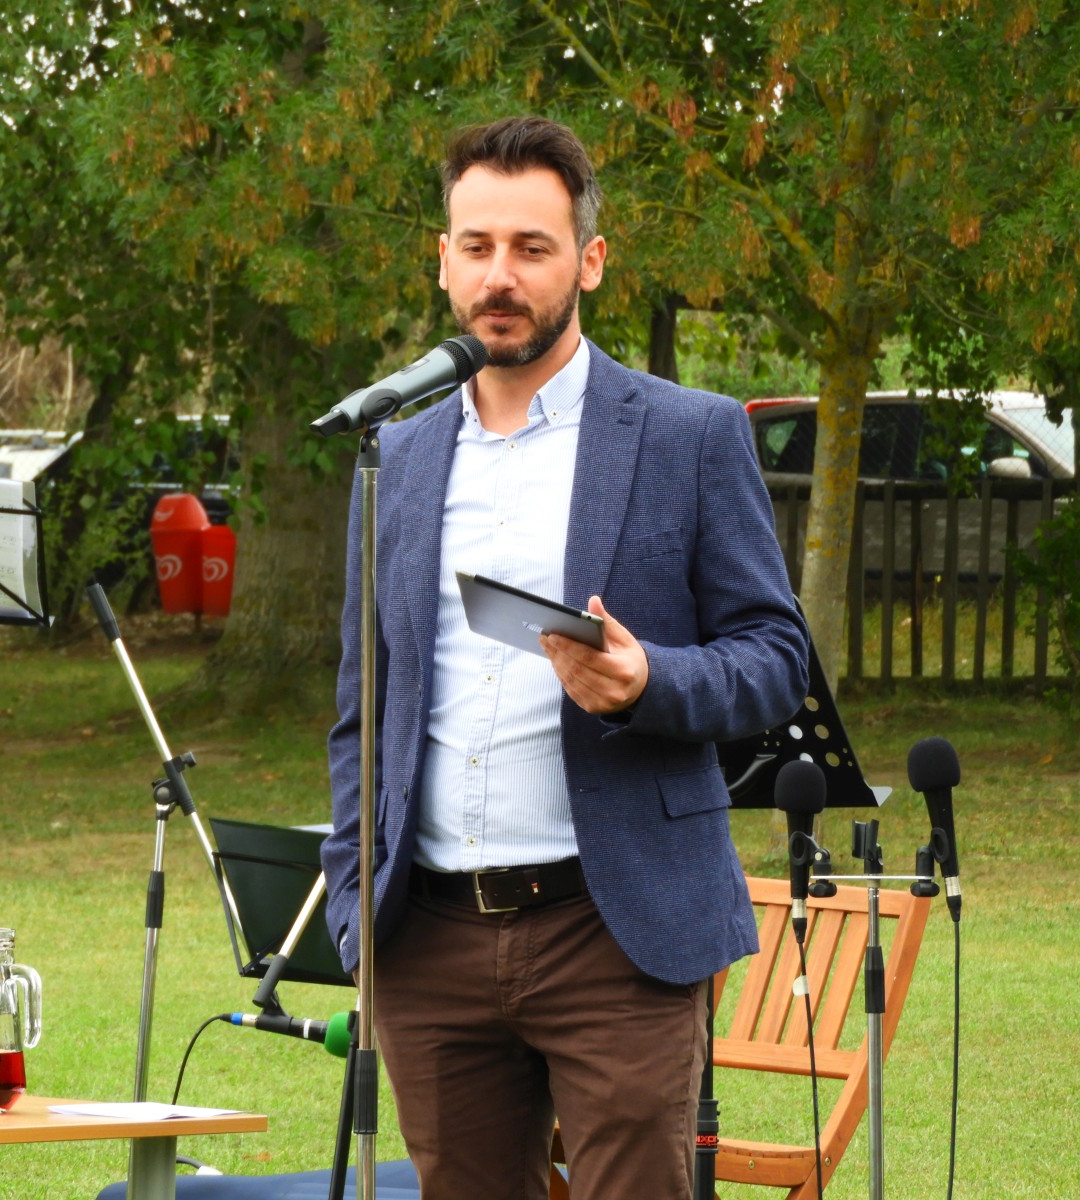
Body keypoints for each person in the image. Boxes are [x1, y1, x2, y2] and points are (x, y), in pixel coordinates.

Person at [320, 116, 810, 1199]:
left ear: (588, 261)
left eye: (531, 248)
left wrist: (647, 683)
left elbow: (776, 657)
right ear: (442, 259)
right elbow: (365, 706)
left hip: (615, 929)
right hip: (430, 941)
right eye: (477, 246)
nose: (500, 275)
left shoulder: (687, 434)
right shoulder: (394, 455)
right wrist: (357, 903)